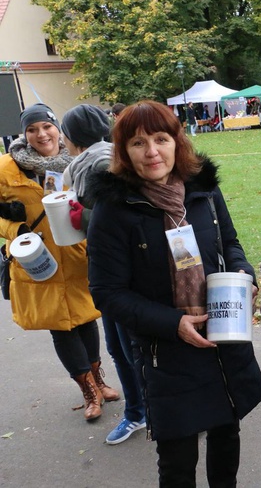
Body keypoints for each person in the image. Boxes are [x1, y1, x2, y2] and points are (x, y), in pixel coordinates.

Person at [85, 100, 261, 486]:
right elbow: (107, 292)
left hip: (222, 337)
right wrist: (174, 323)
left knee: (225, 439)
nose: (152, 151)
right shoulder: (114, 210)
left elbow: (229, 243)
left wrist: (244, 275)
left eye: (161, 138)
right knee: (178, 461)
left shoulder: (202, 190)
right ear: (123, 151)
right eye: (138, 143)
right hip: (166, 353)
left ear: (176, 141)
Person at [0, 103, 117, 422]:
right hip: (36, 259)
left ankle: (99, 378)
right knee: (59, 326)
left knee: (85, 318)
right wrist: (14, 226)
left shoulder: (76, 162)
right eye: (32, 129)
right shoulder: (5, 170)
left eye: (47, 126)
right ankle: (88, 390)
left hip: (75, 251)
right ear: (23, 134)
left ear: (58, 129)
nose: (41, 134)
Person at [61, 104, 147, 444]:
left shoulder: (99, 162)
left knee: (131, 349)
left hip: (125, 274)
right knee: (118, 346)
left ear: (73, 136)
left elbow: (120, 220)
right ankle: (138, 412)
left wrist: (82, 217)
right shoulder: (84, 164)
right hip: (105, 272)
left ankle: (147, 411)